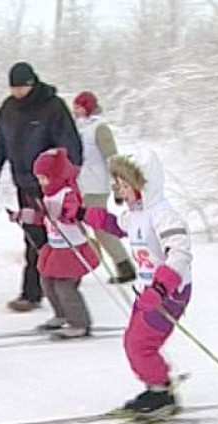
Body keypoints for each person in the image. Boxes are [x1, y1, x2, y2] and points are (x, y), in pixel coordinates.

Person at [68, 149, 192, 418]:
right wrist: (80, 212)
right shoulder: (135, 213)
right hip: (148, 293)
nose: (121, 191)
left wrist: (161, 288)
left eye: (127, 185)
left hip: (169, 294)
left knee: (140, 344)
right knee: (134, 342)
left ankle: (161, 395)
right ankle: (157, 386)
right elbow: (113, 224)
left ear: (144, 185)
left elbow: (180, 253)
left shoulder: (164, 215)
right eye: (119, 185)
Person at [0, 62, 83, 313]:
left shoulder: (52, 107)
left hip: (52, 186)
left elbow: (70, 144)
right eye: (13, 88)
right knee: (33, 237)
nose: (17, 93)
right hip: (24, 184)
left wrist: (66, 178)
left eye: (21, 88)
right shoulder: (8, 109)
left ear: (32, 84)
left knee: (57, 237)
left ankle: (66, 283)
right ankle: (32, 292)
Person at [17, 148, 99, 338]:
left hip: (71, 249)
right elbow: (42, 217)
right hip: (55, 248)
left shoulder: (67, 192)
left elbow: (74, 211)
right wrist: (23, 215)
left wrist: (63, 214)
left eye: (44, 178)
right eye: (39, 178)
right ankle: (61, 315)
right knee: (47, 282)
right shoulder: (48, 195)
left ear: (56, 176)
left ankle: (80, 322)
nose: (42, 182)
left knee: (64, 286)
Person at [72, 91, 135, 284]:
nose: (76, 110)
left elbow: (112, 157)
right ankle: (75, 267)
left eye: (80, 106)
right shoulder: (76, 129)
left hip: (96, 186)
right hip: (79, 186)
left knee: (99, 227)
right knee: (75, 227)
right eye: (75, 106)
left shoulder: (99, 128)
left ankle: (124, 265)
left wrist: (118, 187)